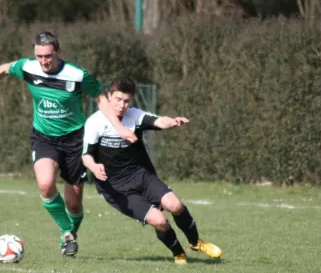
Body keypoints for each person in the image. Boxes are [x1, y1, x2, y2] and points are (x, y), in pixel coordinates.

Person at [0, 31, 137, 257]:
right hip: (44, 137)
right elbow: (3, 69)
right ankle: (67, 234)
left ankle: (70, 231)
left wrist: (119, 129)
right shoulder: (27, 67)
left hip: (76, 140)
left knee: (74, 203)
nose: (44, 61)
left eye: (48, 56)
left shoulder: (77, 75)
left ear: (59, 52)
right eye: (39, 56)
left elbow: (100, 98)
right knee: (45, 183)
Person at [82, 75, 222, 263]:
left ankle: (196, 242)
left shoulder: (134, 115)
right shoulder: (96, 122)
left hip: (141, 176)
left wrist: (171, 122)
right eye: (118, 100)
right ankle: (178, 252)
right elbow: (86, 155)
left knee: (175, 206)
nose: (122, 105)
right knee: (160, 221)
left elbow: (157, 121)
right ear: (108, 97)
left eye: (126, 101)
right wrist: (94, 166)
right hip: (116, 187)